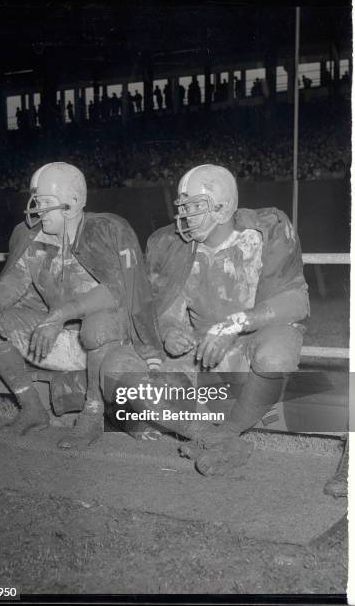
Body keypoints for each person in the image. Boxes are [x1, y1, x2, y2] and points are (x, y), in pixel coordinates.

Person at [104, 164, 310, 476]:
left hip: (253, 340)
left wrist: (234, 325)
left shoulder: (266, 228)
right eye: (183, 207)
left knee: (276, 354)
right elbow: (164, 313)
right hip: (202, 348)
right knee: (116, 367)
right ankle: (210, 436)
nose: (185, 216)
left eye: (195, 207)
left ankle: (228, 431)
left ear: (224, 206)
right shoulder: (169, 243)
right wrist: (171, 330)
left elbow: (296, 301)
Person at [0, 162, 163, 449]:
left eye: (45, 203)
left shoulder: (105, 229)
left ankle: (93, 415)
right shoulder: (34, 236)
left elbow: (115, 292)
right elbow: (13, 282)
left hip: (108, 345)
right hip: (55, 337)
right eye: (36, 202)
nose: (36, 210)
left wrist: (59, 314)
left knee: (97, 325)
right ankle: (32, 408)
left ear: (71, 204)